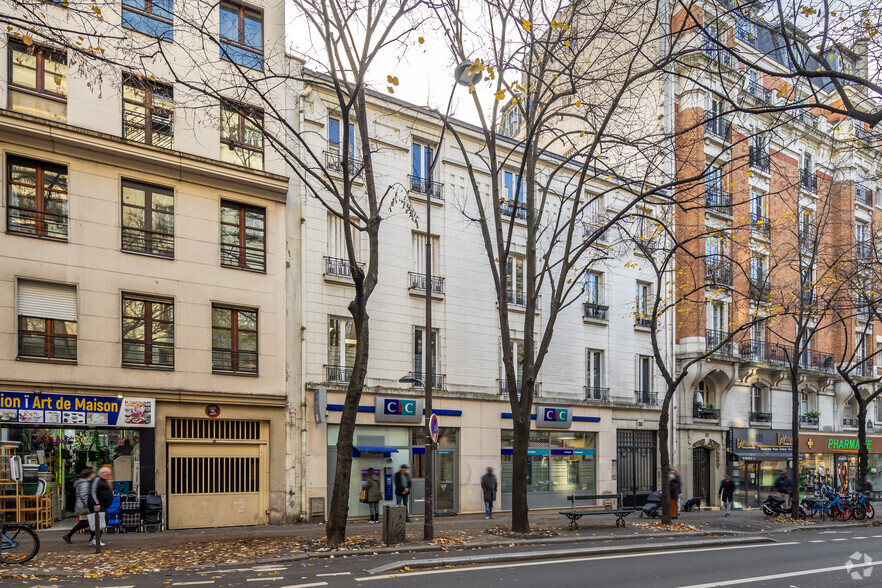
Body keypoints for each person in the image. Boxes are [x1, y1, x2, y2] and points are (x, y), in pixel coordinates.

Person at [62, 468, 94, 544]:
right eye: (92, 474)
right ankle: (92, 539)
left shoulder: (84, 482)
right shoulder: (85, 483)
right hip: (84, 506)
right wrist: (89, 505)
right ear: (88, 475)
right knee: (90, 522)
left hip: (82, 505)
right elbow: (84, 496)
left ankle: (92, 538)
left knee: (89, 522)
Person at [87, 467, 114, 547]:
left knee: (100, 521)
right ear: (103, 473)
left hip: (101, 505)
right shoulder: (97, 480)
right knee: (101, 521)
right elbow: (93, 492)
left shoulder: (101, 480)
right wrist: (96, 503)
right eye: (108, 474)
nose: (109, 476)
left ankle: (94, 539)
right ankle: (95, 539)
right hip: (97, 505)